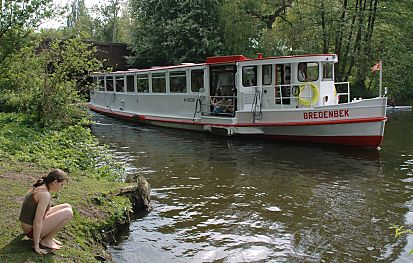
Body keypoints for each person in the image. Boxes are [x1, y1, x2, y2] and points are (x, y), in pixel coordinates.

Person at [19, 169, 73, 255]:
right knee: (68, 213)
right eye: (61, 185)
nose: (61, 187)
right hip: (30, 231)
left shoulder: (41, 185)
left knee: (67, 206)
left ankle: (48, 237)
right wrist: (36, 246)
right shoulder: (44, 194)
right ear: (55, 182)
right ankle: (46, 240)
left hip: (27, 225)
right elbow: (37, 221)